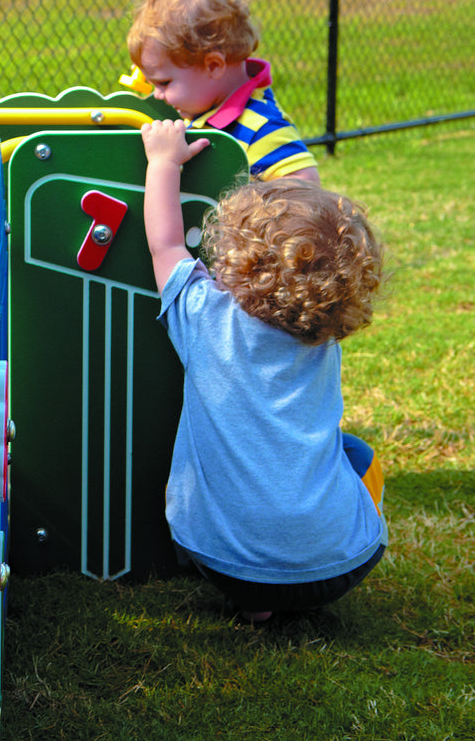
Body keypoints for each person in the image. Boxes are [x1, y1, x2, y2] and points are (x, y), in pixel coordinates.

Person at [140, 117, 387, 622]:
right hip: (342, 566)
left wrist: (163, 163)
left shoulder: (202, 314)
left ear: (238, 259)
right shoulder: (322, 336)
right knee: (355, 454)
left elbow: (165, 245)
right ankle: (306, 574)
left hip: (224, 563)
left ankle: (255, 606)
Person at [127, 0, 320, 184]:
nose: (157, 94)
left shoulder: (260, 128)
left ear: (213, 65)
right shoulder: (198, 111)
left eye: (164, 83)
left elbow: (308, 186)